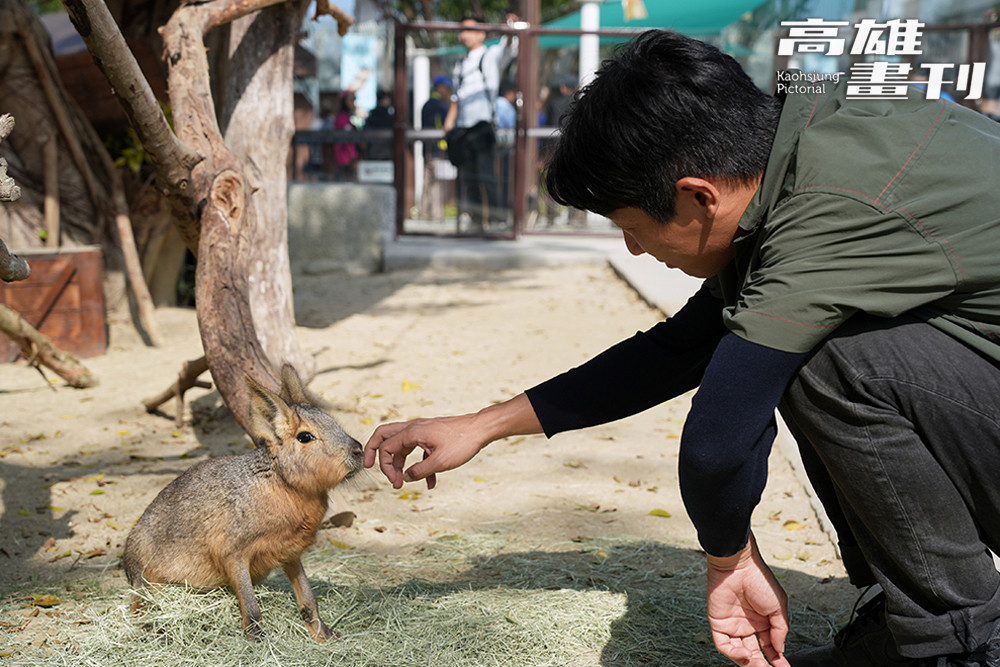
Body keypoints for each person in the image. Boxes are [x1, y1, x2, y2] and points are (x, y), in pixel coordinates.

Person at [365, 29, 1000, 667]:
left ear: (699, 196)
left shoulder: (826, 211)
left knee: (830, 362)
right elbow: (678, 350)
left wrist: (729, 558)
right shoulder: (797, 143)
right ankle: (911, 621)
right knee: (807, 344)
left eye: (634, 229)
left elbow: (719, 436)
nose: (636, 250)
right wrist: (485, 425)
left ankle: (956, 644)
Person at [444, 14, 518, 232]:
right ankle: (476, 221)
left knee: (487, 176)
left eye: (469, 30)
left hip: (483, 125)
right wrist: (449, 124)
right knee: (470, 178)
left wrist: (510, 28)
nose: (464, 35)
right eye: (462, 30)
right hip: (463, 128)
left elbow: (509, 46)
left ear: (482, 33)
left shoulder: (490, 56)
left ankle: (498, 220)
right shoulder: (459, 64)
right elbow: (456, 97)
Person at [421, 75, 455, 222]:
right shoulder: (441, 106)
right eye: (446, 89)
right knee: (437, 184)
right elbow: (445, 126)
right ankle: (437, 215)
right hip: (438, 151)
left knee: (427, 184)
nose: (447, 92)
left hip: (427, 150)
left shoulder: (426, 104)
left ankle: (423, 213)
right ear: (440, 88)